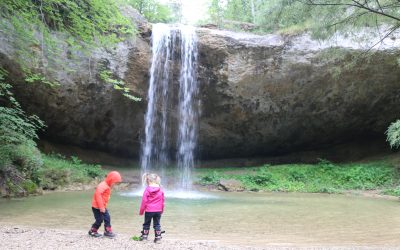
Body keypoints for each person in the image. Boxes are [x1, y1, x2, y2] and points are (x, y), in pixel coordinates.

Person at [88, 171, 122, 238]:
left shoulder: (107, 185)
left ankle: (107, 231)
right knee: (99, 220)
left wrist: (103, 206)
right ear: (111, 180)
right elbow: (98, 195)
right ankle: (93, 231)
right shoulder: (103, 185)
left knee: (107, 217)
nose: (114, 185)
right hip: (97, 207)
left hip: (102, 206)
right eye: (114, 183)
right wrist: (101, 207)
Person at [139, 173, 165, 243]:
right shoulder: (160, 190)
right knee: (157, 224)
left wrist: (141, 211)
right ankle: (158, 238)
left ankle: (144, 237)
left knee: (146, 223)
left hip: (149, 210)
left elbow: (144, 201)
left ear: (148, 181)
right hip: (158, 210)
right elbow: (163, 202)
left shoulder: (147, 189)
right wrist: (162, 210)